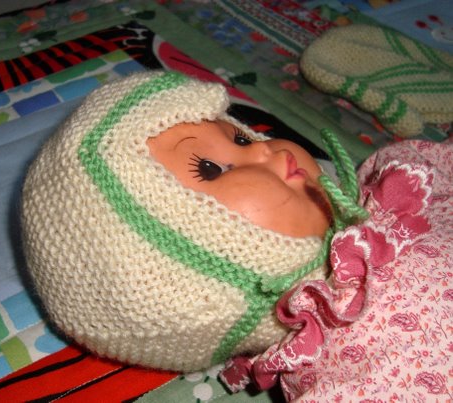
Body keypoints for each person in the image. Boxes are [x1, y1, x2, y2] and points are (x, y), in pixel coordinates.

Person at [21, 70, 364, 374]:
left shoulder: (377, 191)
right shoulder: (353, 353)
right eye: (210, 169)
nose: (262, 150)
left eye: (241, 138)